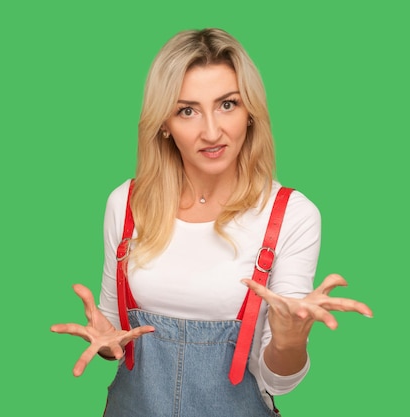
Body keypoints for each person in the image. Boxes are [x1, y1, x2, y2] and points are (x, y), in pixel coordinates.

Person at [51, 28, 372, 417]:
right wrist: (105, 343)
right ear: (164, 123)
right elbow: (112, 333)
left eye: (227, 104)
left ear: (250, 111)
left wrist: (289, 342)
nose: (212, 131)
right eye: (187, 110)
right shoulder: (127, 203)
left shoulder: (291, 214)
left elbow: (277, 382)